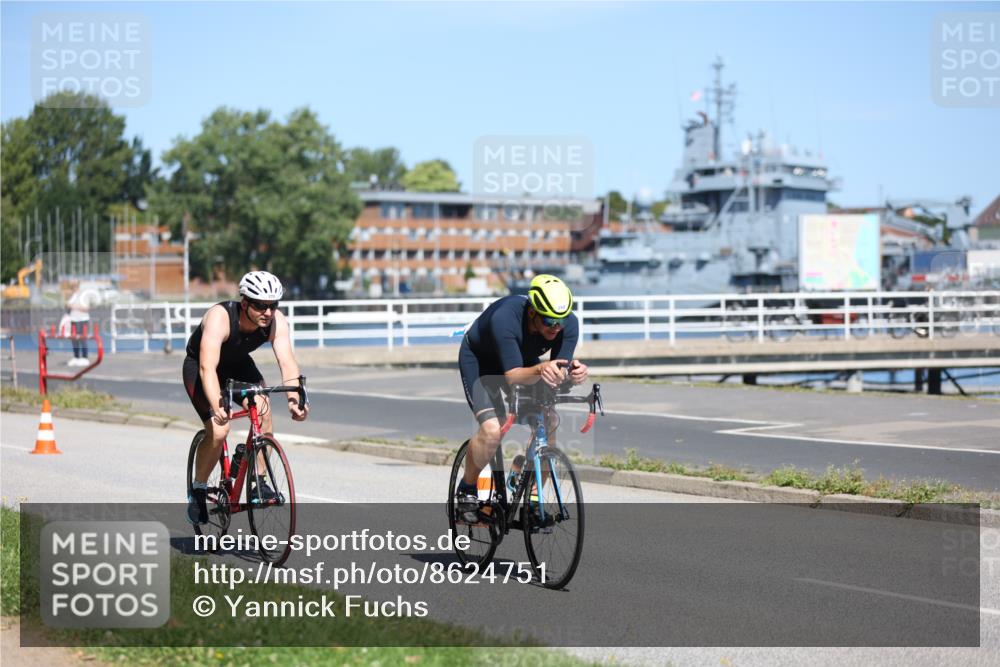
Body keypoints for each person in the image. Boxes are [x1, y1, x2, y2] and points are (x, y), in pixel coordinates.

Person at [455, 274, 588, 519]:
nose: (556, 328)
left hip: (520, 360)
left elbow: (557, 370)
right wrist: (539, 368)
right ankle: (467, 489)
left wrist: (572, 373)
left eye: (561, 321)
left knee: (548, 419)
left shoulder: (567, 324)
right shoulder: (505, 318)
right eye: (549, 322)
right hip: (481, 362)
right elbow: (513, 376)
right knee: (492, 430)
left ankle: (530, 492)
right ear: (532, 313)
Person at [182, 271, 309, 525]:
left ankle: (258, 483)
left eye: (274, 305)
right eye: (261, 306)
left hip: (238, 364)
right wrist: (218, 403)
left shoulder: (276, 322)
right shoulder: (220, 318)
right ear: (245, 304)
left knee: (263, 407)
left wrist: (295, 399)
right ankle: (197, 490)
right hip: (202, 367)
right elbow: (208, 368)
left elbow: (288, 363)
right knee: (219, 430)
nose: (268, 312)